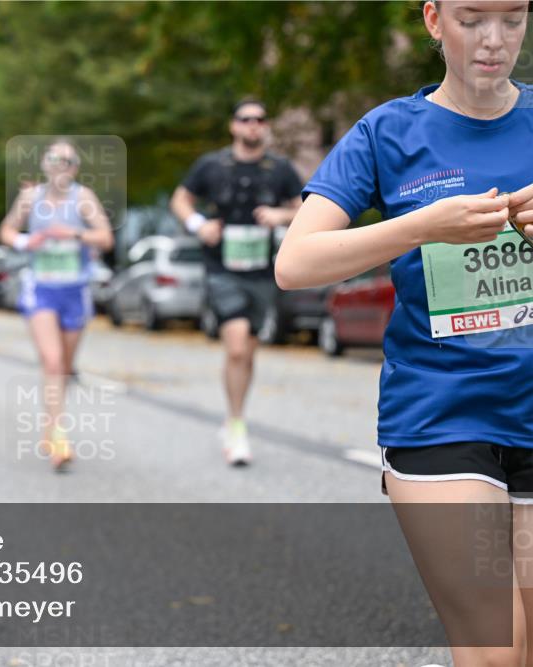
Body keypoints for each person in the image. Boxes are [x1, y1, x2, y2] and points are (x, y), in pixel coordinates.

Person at [275, 2, 532, 663]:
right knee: (497, 648)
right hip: (443, 415)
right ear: (433, 20)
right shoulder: (386, 132)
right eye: (473, 18)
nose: (495, 40)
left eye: (515, 17)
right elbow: (295, 262)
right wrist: (421, 226)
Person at [170, 99, 303, 465]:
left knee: (250, 346)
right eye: (246, 119)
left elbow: (307, 206)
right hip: (222, 268)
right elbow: (181, 200)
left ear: (266, 126)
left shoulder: (280, 169)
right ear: (234, 126)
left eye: (260, 119)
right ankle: (237, 423)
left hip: (261, 270)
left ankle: (235, 416)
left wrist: (281, 214)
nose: (253, 126)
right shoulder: (212, 165)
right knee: (237, 347)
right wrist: (199, 225)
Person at [0, 139, 114, 471]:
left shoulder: (84, 198)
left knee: (64, 365)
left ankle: (51, 425)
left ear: (75, 167)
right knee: (52, 361)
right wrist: (25, 241)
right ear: (45, 165)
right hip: (41, 288)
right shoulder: (30, 198)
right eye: (54, 160)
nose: (60, 166)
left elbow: (106, 238)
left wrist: (73, 235)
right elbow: (6, 230)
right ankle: (59, 434)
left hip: (74, 290)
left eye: (67, 161)